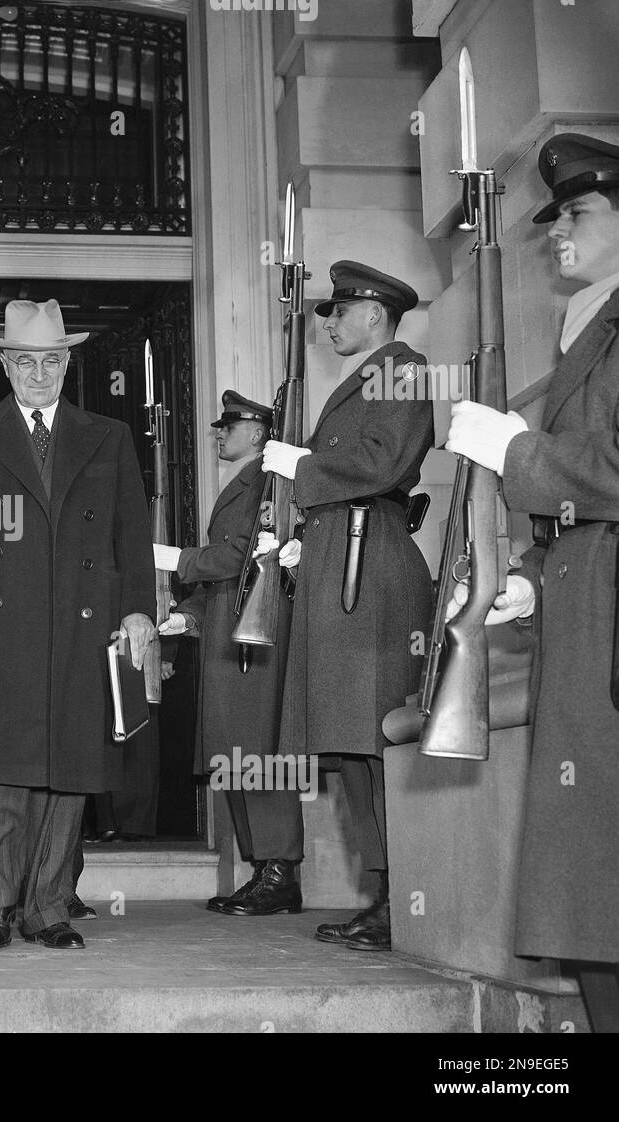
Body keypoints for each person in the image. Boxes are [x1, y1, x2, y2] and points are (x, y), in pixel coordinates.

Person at [446, 133, 619, 1031]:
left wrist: (515, 450)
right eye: (554, 218)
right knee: (592, 896)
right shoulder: (590, 326)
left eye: (580, 214)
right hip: (585, 620)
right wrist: (529, 585)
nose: (558, 231)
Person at [0, 299, 155, 950]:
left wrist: (139, 608)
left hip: (85, 624)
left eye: (51, 360)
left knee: (70, 769)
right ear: (4, 364)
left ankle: (48, 908)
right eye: (25, 360)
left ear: (67, 362)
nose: (39, 372)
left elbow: (132, 535)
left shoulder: (106, 436)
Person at [259, 262, 434, 951]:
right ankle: (387, 894)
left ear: (376, 314)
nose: (329, 323)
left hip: (372, 571)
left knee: (377, 739)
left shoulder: (404, 368)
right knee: (356, 744)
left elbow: (383, 463)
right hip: (344, 562)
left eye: (339, 311)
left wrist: (298, 466)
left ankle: (401, 899)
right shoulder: (368, 375)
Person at [156, 390, 301, 915]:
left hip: (251, 632)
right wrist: (188, 615)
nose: (218, 432)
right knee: (234, 750)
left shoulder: (268, 481)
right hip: (226, 626)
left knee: (256, 748)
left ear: (260, 433)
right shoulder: (242, 482)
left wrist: (174, 558)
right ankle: (264, 869)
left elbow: (241, 555)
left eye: (230, 426)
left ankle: (280, 869)